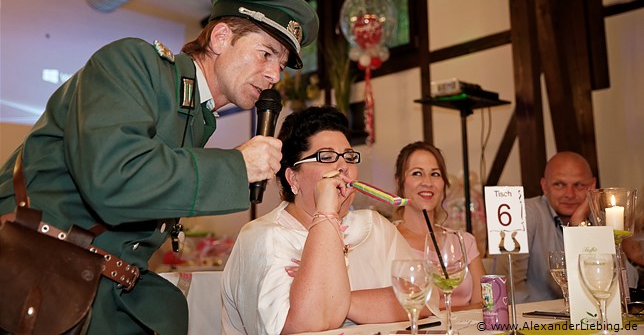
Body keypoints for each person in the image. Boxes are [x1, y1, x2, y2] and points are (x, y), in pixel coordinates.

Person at [0, 0, 318, 334]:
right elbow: (113, 180)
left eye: (282, 65)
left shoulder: (197, 118)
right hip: (39, 277)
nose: (275, 75)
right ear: (221, 38)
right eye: (266, 53)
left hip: (104, 290)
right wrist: (237, 165)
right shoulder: (133, 63)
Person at [221, 106, 433, 334]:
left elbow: (426, 298)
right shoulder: (263, 237)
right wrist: (326, 212)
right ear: (293, 177)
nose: (344, 166)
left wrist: (342, 301)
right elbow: (303, 325)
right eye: (327, 156)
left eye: (349, 157)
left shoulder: (374, 226)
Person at [392, 141, 485, 310]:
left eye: (435, 174)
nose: (427, 182)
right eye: (417, 173)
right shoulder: (388, 240)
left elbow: (485, 305)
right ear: (399, 182)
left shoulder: (464, 241)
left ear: (444, 183)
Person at [494, 151, 596, 303]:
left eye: (579, 185)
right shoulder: (519, 213)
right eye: (559, 185)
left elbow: (627, 282)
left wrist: (579, 223)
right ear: (544, 186)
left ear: (592, 186)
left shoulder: (599, 216)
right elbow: (507, 287)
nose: (569, 194)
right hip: (532, 320)